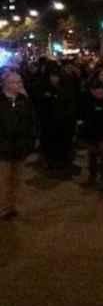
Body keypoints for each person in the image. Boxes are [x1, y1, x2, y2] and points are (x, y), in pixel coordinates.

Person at [1, 71, 36, 221]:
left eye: (19, 82)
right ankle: (3, 208)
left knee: (16, 179)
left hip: (20, 148)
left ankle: (12, 205)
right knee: (3, 180)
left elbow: (31, 122)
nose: (18, 85)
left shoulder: (24, 100)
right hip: (3, 148)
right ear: (5, 84)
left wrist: (30, 142)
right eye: (14, 82)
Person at [80, 80, 103, 186]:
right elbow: (86, 119)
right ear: (92, 91)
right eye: (97, 91)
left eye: (102, 91)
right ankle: (92, 177)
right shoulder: (88, 102)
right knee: (93, 157)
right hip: (92, 135)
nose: (100, 93)